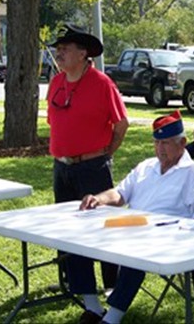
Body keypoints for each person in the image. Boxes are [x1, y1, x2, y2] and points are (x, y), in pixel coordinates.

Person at [71, 110, 194, 324]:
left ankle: (112, 318)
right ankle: (93, 308)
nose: (159, 149)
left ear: (182, 143)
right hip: (131, 228)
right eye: (156, 143)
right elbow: (120, 194)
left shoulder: (193, 173)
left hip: (166, 239)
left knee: (137, 251)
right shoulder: (146, 166)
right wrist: (99, 199)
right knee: (76, 239)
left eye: (166, 143)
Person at [47, 23, 129, 291]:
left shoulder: (102, 83)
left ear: (82, 54)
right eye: (57, 50)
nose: (59, 54)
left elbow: (121, 123)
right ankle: (72, 281)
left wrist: (107, 152)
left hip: (93, 166)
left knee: (101, 225)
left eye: (65, 49)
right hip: (62, 167)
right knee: (66, 227)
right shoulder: (56, 82)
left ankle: (110, 284)